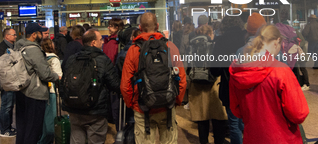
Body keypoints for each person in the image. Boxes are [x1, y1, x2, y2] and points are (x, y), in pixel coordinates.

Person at [229, 25, 309, 144]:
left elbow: (237, 111)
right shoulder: (281, 71)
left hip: (252, 138)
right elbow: (298, 113)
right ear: (277, 41)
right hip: (282, 138)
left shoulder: (238, 71)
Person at [121, 12, 187, 144]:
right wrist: (176, 101)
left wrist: (132, 104)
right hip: (167, 106)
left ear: (140, 28)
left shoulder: (133, 50)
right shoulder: (170, 47)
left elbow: (125, 84)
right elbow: (182, 79)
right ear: (157, 26)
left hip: (143, 107)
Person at [63, 29, 120, 144]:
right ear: (93, 42)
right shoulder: (102, 59)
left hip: (74, 109)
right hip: (95, 110)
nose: (102, 42)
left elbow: (64, 81)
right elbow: (115, 84)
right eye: (100, 40)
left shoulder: (72, 59)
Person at [14, 23, 59, 144]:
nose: (42, 36)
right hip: (34, 93)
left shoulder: (18, 46)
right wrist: (57, 77)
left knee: (22, 127)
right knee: (33, 129)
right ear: (34, 34)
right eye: (40, 33)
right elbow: (45, 74)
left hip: (20, 92)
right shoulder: (34, 50)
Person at [188, 25, 227, 144]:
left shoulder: (192, 46)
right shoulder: (215, 45)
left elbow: (188, 67)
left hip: (197, 86)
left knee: (202, 119)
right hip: (214, 84)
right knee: (218, 118)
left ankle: (204, 141)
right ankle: (219, 141)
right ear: (210, 33)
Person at [211, 16, 246, 144]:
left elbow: (215, 69)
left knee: (234, 124)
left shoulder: (221, 41)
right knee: (246, 121)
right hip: (248, 85)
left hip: (229, 86)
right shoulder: (245, 38)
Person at [38, 38, 63, 144]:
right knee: (50, 120)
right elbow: (59, 76)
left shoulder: (39, 58)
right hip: (51, 91)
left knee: (42, 119)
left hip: (39, 91)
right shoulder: (54, 59)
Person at [0, 28, 17, 137]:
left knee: (10, 105)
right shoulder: (2, 48)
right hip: (6, 81)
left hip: (12, 80)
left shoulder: (12, 46)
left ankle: (9, 126)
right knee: (6, 105)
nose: (15, 36)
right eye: (13, 35)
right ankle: (4, 130)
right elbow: (2, 65)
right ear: (7, 36)